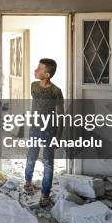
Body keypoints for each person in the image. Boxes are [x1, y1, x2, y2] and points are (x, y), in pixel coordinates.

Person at [24, 58, 64, 206]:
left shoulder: (56, 91)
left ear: (47, 75)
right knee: (31, 156)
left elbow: (60, 115)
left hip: (49, 131)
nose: (35, 70)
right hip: (35, 128)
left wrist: (58, 137)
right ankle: (28, 183)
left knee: (48, 163)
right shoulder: (33, 86)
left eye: (39, 69)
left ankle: (45, 194)